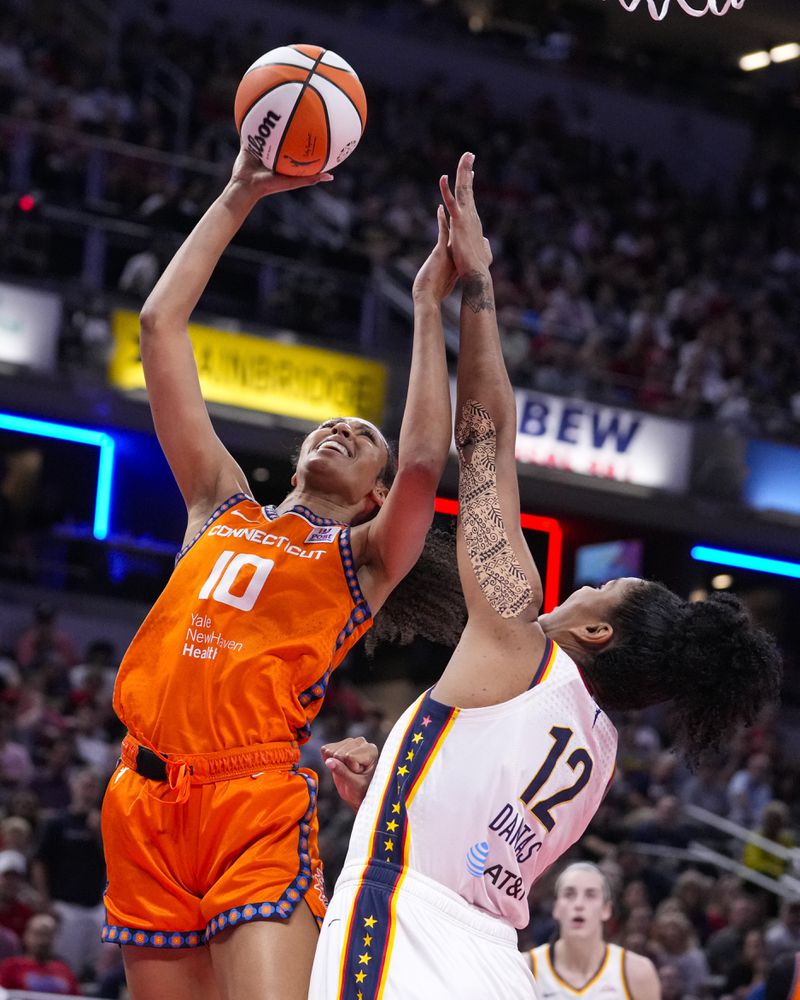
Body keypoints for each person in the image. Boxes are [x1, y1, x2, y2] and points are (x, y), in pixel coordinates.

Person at [308, 151, 783, 1000]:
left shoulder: (525, 641)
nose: (573, 593)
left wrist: (472, 292)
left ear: (597, 632)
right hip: (491, 964)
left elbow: (483, 440)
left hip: (407, 937)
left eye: (594, 594)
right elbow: (480, 825)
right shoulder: (596, 752)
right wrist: (391, 778)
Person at [100, 147, 458, 1000]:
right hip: (139, 800)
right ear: (295, 452)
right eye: (331, 421)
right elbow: (159, 326)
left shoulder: (365, 560)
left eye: (360, 435)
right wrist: (237, 193)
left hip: (250, 801)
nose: (340, 426)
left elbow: (421, 461)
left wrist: (423, 306)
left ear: (373, 494)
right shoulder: (218, 505)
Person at [527, 863, 660, 1000]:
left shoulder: (637, 972)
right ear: (556, 908)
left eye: (590, 895)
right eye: (569, 894)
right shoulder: (526, 968)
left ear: (606, 909)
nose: (579, 904)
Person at [0, 912, 81, 995]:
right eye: (38, 934)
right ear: (26, 935)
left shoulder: (65, 970)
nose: (43, 940)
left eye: (48, 935)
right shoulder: (10, 967)